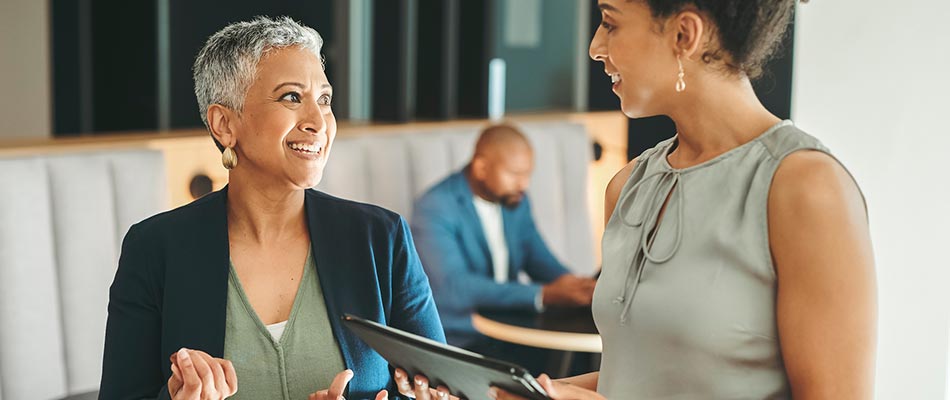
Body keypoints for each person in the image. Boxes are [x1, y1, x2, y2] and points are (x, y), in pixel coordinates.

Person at [405, 0, 877, 399]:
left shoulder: (804, 187)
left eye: (610, 23)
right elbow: (635, 377)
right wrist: (535, 392)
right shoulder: (628, 185)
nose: (594, 47)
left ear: (683, 35)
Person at [99, 17, 443, 400]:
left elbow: (437, 386)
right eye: (291, 97)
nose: (319, 122)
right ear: (225, 124)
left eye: (324, 100)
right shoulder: (154, 248)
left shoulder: (382, 238)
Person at [411, 124, 596, 370]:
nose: (523, 184)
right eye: (514, 174)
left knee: (584, 364)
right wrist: (544, 294)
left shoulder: (515, 201)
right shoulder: (435, 205)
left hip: (510, 333)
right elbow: (455, 288)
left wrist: (577, 286)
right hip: (461, 340)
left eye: (527, 174)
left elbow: (538, 257)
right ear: (481, 167)